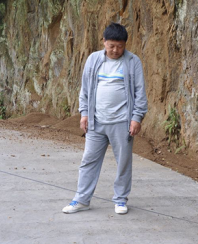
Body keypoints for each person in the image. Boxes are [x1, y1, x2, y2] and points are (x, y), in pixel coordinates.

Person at [62, 23, 148, 215]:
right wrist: (84, 113)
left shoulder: (133, 61)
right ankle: (82, 199)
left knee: (124, 162)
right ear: (104, 42)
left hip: (122, 123)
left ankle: (120, 199)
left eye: (120, 46)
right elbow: (85, 89)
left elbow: (140, 92)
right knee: (88, 160)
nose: (115, 50)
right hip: (96, 122)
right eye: (111, 46)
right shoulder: (93, 60)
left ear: (125, 45)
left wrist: (137, 118)